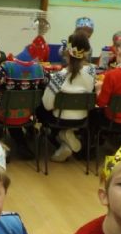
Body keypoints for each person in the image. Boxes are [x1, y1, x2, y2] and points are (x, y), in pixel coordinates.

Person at [38, 31, 96, 162]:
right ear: (87, 53)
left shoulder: (58, 76)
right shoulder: (91, 73)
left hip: (59, 119)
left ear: (66, 53)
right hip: (82, 119)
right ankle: (65, 137)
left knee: (40, 110)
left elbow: (47, 105)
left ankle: (61, 137)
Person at [0, 58, 47, 159]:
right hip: (28, 115)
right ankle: (24, 140)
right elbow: (47, 84)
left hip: (5, 116)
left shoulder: (7, 67)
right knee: (18, 105)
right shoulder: (39, 68)